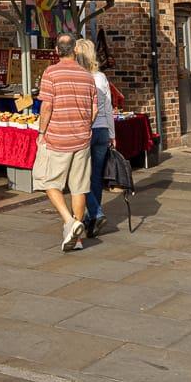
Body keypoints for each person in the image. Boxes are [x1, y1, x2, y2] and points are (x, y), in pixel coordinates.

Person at [34, 37, 98, 250]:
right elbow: (94, 109)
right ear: (75, 50)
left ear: (56, 50)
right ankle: (77, 239)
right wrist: (84, 126)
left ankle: (69, 222)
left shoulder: (51, 73)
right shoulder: (87, 76)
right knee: (79, 187)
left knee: (48, 182)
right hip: (81, 139)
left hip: (57, 137)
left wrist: (41, 132)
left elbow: (46, 107)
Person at [76, 38, 124, 236]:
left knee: (78, 177)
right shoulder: (101, 77)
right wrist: (112, 134)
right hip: (103, 130)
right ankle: (91, 219)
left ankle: (95, 212)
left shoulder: (80, 77)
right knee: (95, 176)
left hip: (87, 130)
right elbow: (108, 108)